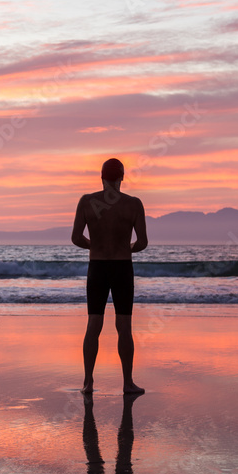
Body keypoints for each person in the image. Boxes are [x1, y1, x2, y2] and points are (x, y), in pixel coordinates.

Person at [71, 158, 148, 395]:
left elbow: (75, 237)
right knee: (124, 326)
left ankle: (88, 383)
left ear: (101, 177)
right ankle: (127, 383)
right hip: (122, 267)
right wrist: (126, 248)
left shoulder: (86, 201)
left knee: (94, 324)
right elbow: (143, 242)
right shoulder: (133, 204)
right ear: (122, 177)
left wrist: (94, 245)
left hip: (97, 267)